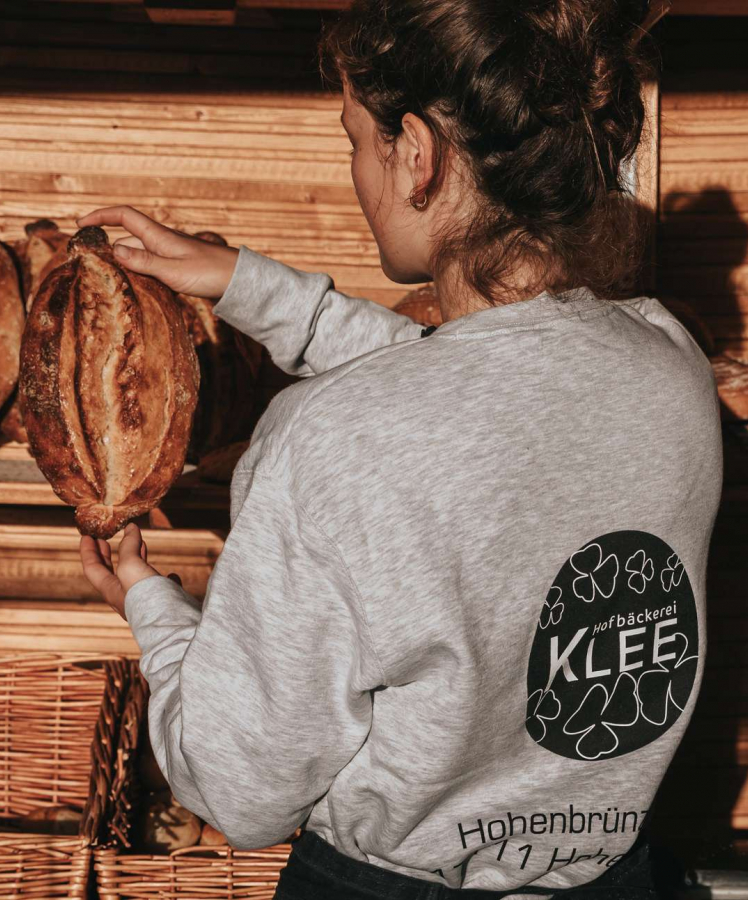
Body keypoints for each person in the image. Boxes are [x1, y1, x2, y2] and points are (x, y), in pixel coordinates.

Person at [77, 0, 721, 896]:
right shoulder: (671, 368)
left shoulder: (327, 442)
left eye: (355, 139)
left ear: (417, 154)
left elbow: (238, 790)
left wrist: (152, 606)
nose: (355, 170)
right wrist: (243, 284)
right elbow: (479, 381)